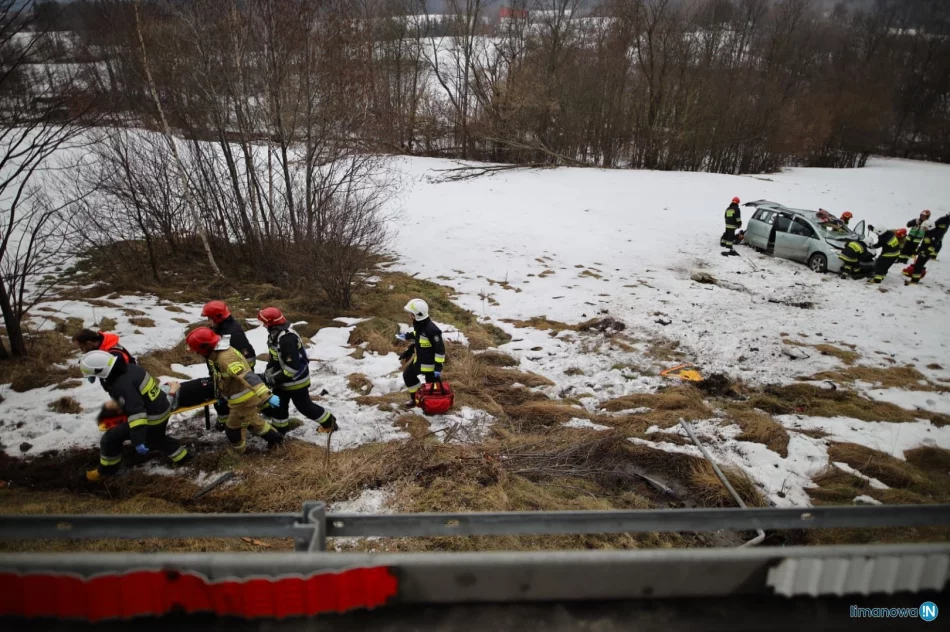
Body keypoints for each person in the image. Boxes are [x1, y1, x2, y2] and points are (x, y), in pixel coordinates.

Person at [80, 350, 189, 481]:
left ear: (100, 371)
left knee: (110, 438)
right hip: (161, 408)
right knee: (157, 439)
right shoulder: (130, 368)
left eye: (93, 375)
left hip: (152, 418)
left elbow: (137, 413)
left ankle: (106, 472)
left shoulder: (122, 384)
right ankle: (185, 458)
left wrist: (138, 440)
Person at [186, 327, 283, 453]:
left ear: (205, 347)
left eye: (197, 351)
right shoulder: (216, 354)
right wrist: (220, 396)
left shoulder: (224, 358)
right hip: (239, 397)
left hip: (243, 401)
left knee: (232, 430)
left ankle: (242, 454)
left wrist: (267, 396)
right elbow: (221, 377)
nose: (197, 354)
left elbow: (247, 376)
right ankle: (277, 440)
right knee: (253, 422)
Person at [258, 307, 338, 435]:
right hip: (281, 380)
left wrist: (274, 379)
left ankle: (330, 423)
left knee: (304, 407)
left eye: (264, 322)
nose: (262, 325)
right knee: (278, 407)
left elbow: (293, 368)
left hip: (296, 381)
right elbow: (274, 359)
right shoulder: (275, 335)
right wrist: (268, 374)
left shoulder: (286, 339)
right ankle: (279, 432)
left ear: (270, 323)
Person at [201, 300, 256, 430]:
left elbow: (247, 358)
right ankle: (224, 421)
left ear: (217, 317)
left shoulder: (231, 333)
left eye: (210, 318)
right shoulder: (222, 328)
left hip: (233, 376)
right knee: (221, 402)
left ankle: (232, 424)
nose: (208, 321)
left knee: (227, 402)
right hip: (223, 374)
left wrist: (233, 375)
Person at [396, 299, 446, 408]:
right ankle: (417, 398)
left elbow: (440, 351)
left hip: (430, 366)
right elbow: (418, 335)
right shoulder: (420, 325)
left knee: (434, 388)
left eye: (411, 314)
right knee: (408, 376)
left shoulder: (432, 330)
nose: (410, 316)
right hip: (420, 361)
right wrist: (407, 337)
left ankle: (434, 405)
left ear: (418, 315)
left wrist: (438, 367)